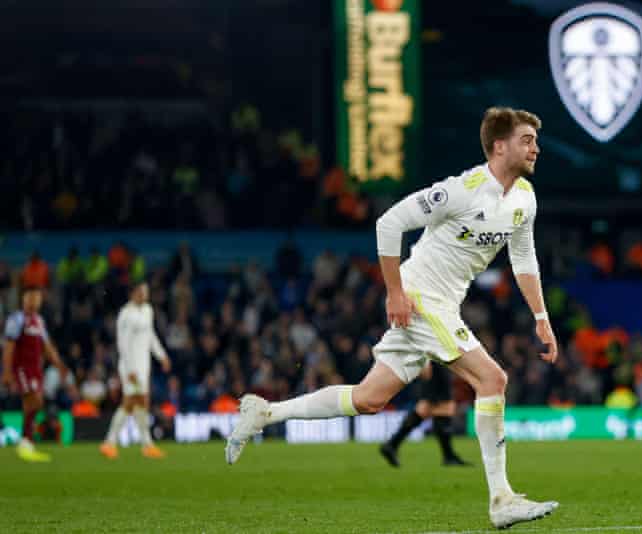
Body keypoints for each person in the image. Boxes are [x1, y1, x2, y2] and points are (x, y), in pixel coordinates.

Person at [226, 107, 560, 528]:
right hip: (421, 297)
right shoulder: (461, 190)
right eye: (526, 139)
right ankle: (501, 499)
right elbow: (390, 222)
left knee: (368, 399)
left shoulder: (524, 199)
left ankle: (265, 413)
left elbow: (524, 257)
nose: (536, 147)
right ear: (499, 146)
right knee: (492, 380)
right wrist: (396, 292)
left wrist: (541, 317)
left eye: (535, 139)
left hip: (443, 302)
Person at [99, 282, 172, 459]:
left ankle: (146, 445)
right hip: (130, 366)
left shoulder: (147, 310)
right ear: (132, 293)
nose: (144, 295)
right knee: (130, 401)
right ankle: (110, 442)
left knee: (142, 403)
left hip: (143, 365)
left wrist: (161, 355)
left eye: (146, 292)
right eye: (140, 292)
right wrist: (130, 368)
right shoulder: (126, 314)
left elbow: (151, 335)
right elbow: (122, 344)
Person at [2, 287, 69, 462]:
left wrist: (59, 365)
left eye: (36, 298)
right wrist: (7, 372)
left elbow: (47, 347)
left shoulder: (39, 321)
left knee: (35, 402)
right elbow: (9, 347)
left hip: (36, 369)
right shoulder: (16, 319)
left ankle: (27, 443)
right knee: (34, 400)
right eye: (30, 297)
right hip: (22, 368)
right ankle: (26, 442)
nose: (33, 301)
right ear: (23, 300)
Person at [379, 360, 470, 467]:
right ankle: (448, 456)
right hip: (436, 364)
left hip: (437, 364)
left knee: (430, 409)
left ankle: (392, 445)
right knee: (440, 406)